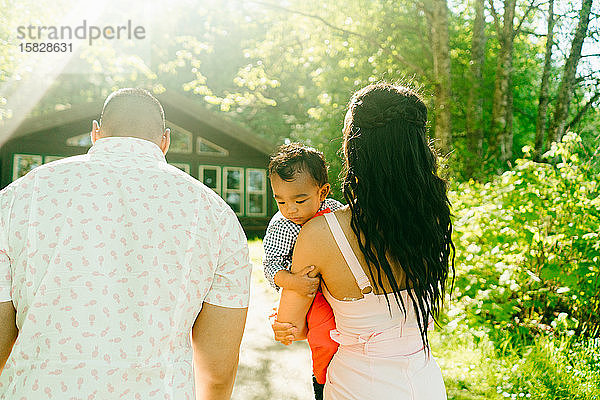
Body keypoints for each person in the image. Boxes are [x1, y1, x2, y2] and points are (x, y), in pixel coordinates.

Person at [0, 88, 251, 400]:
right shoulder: (215, 215)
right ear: (165, 140)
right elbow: (218, 368)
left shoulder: (20, 197)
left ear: (96, 133)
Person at [272, 83, 454, 399]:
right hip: (424, 383)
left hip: (357, 386)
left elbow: (292, 326)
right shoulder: (432, 220)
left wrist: (283, 323)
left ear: (356, 149)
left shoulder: (319, 234)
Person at [263, 143, 343, 399]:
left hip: (339, 281)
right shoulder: (282, 225)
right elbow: (271, 263)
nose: (290, 209)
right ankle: (321, 380)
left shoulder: (336, 210)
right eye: (281, 201)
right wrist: (292, 282)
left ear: (322, 192)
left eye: (299, 200)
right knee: (324, 336)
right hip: (310, 291)